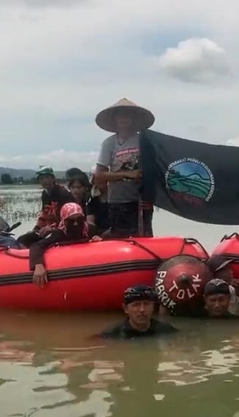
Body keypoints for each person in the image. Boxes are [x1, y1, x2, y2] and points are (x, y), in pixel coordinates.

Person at [94, 98, 155, 238]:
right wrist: (128, 174)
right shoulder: (109, 143)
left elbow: (154, 168)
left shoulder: (144, 141)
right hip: (118, 201)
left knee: (144, 238)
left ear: (134, 118)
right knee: (119, 238)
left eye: (128, 115)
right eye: (120, 115)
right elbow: (100, 175)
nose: (124, 118)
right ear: (115, 119)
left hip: (141, 201)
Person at [30, 202, 103, 287]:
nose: (75, 224)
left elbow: (107, 241)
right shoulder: (58, 234)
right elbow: (36, 246)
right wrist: (38, 265)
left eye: (79, 220)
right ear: (64, 221)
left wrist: (100, 242)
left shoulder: (90, 229)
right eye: (71, 221)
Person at [17, 166, 74, 247]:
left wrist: (52, 228)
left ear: (53, 178)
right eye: (41, 179)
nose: (44, 181)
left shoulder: (63, 193)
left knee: (39, 244)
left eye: (47, 177)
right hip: (48, 229)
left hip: (62, 230)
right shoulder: (45, 194)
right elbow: (44, 214)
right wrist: (36, 229)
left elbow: (68, 219)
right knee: (22, 239)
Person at [97, 285, 178, 339]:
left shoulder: (167, 330)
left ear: (153, 306)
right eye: (136, 305)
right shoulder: (112, 335)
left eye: (146, 304)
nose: (142, 309)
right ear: (126, 309)